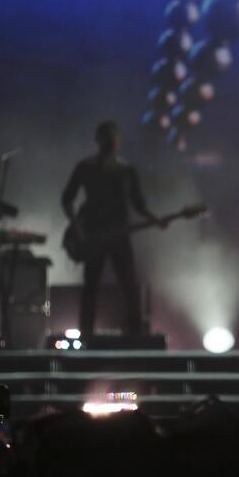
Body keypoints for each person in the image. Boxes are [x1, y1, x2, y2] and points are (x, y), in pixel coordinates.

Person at [61, 121, 162, 341]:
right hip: (94, 234)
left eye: (113, 139)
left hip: (118, 234)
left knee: (128, 285)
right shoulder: (85, 167)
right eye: (106, 138)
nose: (111, 143)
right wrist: (78, 228)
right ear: (99, 141)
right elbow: (66, 200)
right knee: (92, 286)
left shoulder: (127, 170)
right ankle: (86, 335)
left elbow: (138, 204)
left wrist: (156, 220)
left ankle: (135, 336)